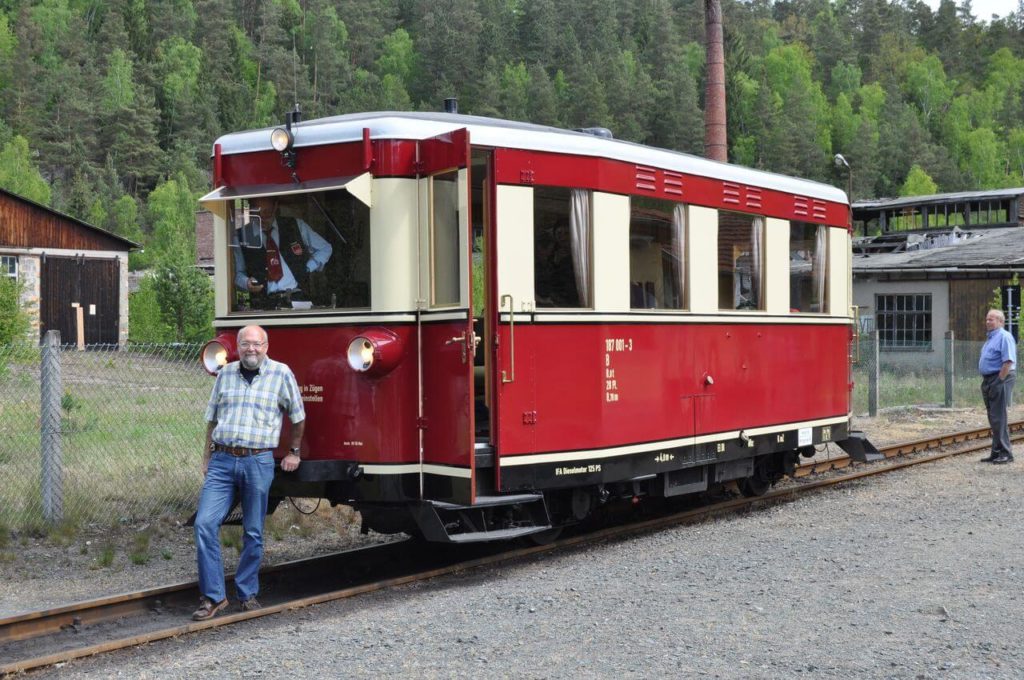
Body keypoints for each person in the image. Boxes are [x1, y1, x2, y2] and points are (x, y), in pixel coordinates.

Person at [192, 325, 306, 620]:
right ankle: (214, 597)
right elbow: (211, 419)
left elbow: (298, 416)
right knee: (204, 523)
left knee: (253, 531)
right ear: (238, 347)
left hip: (258, 461)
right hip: (222, 461)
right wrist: (206, 457)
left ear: (266, 346)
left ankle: (247, 592)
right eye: (245, 344)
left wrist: (293, 452)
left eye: (256, 344)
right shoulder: (225, 373)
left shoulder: (281, 373)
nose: (250, 349)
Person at [233, 196, 332, 306]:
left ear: (275, 207)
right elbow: (238, 274)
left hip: (298, 299)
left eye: (267, 212)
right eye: (258, 214)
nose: (263, 218)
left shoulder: (295, 225)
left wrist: (307, 268)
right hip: (263, 304)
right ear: (251, 210)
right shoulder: (242, 236)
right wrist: (247, 283)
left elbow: (325, 248)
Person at [979, 308, 1017, 464]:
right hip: (989, 379)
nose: (988, 321)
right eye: (987, 319)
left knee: (998, 417)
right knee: (993, 417)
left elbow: (1008, 361)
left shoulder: (1004, 336)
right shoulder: (991, 338)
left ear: (1000, 321)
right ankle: (996, 452)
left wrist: (999, 380)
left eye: (992, 319)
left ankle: (1006, 453)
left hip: (1000, 378)